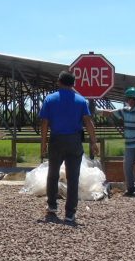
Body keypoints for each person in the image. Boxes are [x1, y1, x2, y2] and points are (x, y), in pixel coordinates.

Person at [39, 71, 99, 225]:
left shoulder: (50, 99)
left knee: (52, 175)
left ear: (59, 82)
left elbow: (45, 123)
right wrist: (94, 142)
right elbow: (88, 122)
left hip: (56, 140)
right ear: (73, 84)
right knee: (73, 178)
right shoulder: (81, 101)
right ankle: (70, 214)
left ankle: (52, 206)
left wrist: (43, 143)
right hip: (74, 141)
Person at [97, 86, 135, 196]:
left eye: (131, 99)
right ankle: (130, 188)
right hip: (129, 143)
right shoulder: (124, 110)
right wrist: (95, 110)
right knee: (127, 165)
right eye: (127, 99)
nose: (128, 101)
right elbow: (110, 113)